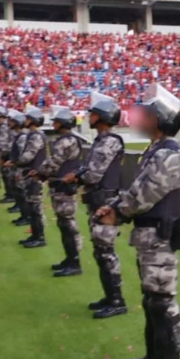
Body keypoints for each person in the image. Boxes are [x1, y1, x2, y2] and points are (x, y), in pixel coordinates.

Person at [95, 84, 180, 359]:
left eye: (147, 115)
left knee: (161, 303)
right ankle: (155, 356)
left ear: (159, 120)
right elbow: (136, 189)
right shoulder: (155, 151)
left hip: (159, 238)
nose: (140, 119)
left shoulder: (170, 153)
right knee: (151, 301)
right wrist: (117, 205)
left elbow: (145, 195)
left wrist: (117, 212)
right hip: (148, 237)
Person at [63, 92, 127, 319]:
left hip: (105, 202)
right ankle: (109, 297)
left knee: (106, 252)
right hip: (97, 201)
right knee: (100, 252)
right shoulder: (101, 140)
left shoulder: (109, 141)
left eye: (92, 114)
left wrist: (76, 177)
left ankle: (117, 300)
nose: (88, 117)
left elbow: (93, 174)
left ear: (101, 117)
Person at [38, 106, 83, 277]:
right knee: (64, 224)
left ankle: (74, 262)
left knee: (67, 225)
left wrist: (40, 173)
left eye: (56, 121)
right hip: (61, 186)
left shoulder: (65, 141)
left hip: (64, 187)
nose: (54, 124)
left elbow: (54, 162)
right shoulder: (68, 139)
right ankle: (69, 259)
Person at [17, 105, 47, 248]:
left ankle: (39, 237)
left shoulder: (36, 135)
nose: (25, 120)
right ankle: (35, 234)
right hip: (30, 174)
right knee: (31, 205)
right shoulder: (32, 134)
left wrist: (17, 162)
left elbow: (29, 155)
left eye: (28, 118)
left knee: (35, 208)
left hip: (35, 175)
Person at [4, 110, 27, 221]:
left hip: (20, 168)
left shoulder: (22, 137)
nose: (9, 123)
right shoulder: (16, 135)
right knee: (17, 190)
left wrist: (13, 162)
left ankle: (25, 216)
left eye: (12, 121)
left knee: (22, 192)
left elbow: (22, 154)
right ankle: (22, 213)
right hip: (15, 166)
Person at [0, 106, 14, 204]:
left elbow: (3, 144)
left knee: (7, 175)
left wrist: (1, 157)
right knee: (6, 175)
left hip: (7, 155)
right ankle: (9, 193)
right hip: (7, 154)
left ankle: (10, 195)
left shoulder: (4, 126)